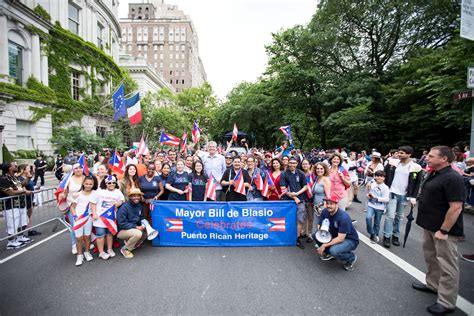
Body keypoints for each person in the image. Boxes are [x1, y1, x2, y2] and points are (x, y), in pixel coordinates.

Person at [412, 146, 465, 315]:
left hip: (444, 230)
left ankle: (446, 301)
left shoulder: (453, 178)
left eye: (431, 156)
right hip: (430, 226)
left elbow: (456, 207)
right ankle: (433, 285)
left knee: (447, 265)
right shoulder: (434, 173)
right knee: (431, 258)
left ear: (444, 159)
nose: (427, 158)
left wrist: (444, 230)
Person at [382, 146, 422, 248]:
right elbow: (383, 174)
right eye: (399, 152)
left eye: (402, 153)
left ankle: (396, 235)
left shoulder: (416, 167)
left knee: (399, 217)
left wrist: (413, 197)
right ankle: (387, 236)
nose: (399, 154)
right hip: (392, 193)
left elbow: (417, 183)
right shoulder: (392, 163)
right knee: (390, 216)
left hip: (404, 195)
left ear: (409, 154)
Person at [315, 193, 359, 271]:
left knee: (334, 250)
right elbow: (319, 225)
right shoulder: (325, 211)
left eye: (331, 203)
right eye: (327, 203)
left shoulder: (343, 217)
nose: (328, 205)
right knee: (315, 235)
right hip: (335, 235)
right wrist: (321, 230)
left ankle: (351, 258)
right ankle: (329, 253)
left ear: (336, 204)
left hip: (349, 239)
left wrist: (324, 245)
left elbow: (340, 239)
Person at [0, 162, 33, 249]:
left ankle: (20, 237)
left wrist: (29, 178)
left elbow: (22, 184)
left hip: (20, 204)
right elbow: (10, 192)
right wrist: (24, 191)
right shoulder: (3, 179)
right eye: (14, 165)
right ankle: (11, 242)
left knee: (22, 222)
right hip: (10, 205)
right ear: (9, 168)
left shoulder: (14, 177)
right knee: (12, 224)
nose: (16, 166)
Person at [92, 175, 125, 260]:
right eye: (109, 183)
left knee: (109, 234)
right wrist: (94, 213)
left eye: (113, 183)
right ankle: (101, 252)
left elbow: (122, 200)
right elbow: (93, 202)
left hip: (111, 217)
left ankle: (110, 249)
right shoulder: (99, 191)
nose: (111, 184)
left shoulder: (117, 191)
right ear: (105, 183)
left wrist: (117, 204)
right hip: (100, 217)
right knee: (100, 235)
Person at [280, 156, 308, 249]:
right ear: (288, 163)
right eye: (290, 162)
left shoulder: (301, 173)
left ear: (297, 164)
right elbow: (283, 189)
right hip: (288, 201)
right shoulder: (284, 174)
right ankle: (287, 237)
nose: (292, 164)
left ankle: (297, 238)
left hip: (301, 200)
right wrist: (294, 197)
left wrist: (297, 194)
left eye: (294, 163)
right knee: (288, 219)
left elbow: (305, 186)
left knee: (300, 219)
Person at [70, 176, 98, 266]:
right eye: (86, 183)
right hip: (78, 218)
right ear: (83, 183)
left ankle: (87, 252)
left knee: (87, 236)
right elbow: (72, 207)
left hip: (88, 218)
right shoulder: (78, 194)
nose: (88, 185)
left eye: (90, 184)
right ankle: (79, 255)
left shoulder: (95, 193)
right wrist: (75, 216)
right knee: (78, 238)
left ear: (93, 185)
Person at [59, 162, 85, 254]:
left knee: (85, 225)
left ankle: (84, 242)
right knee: (74, 226)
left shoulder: (86, 178)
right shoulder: (69, 179)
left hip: (84, 206)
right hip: (72, 206)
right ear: (73, 170)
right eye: (76, 168)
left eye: (80, 168)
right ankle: (74, 244)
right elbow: (64, 192)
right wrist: (62, 195)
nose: (78, 170)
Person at [117, 188, 147, 259]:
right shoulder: (124, 207)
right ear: (130, 197)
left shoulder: (139, 206)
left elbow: (141, 218)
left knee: (146, 233)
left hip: (132, 228)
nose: (136, 198)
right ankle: (125, 249)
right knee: (138, 234)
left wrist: (145, 223)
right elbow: (121, 223)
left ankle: (131, 243)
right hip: (122, 230)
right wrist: (136, 227)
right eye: (134, 196)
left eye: (138, 196)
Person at [366, 170, 390, 244]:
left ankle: (375, 235)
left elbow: (387, 199)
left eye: (381, 176)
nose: (379, 177)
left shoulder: (385, 187)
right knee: (368, 217)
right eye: (377, 176)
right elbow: (368, 194)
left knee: (377, 222)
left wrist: (376, 198)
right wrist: (368, 196)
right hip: (371, 205)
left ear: (384, 178)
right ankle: (372, 233)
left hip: (380, 207)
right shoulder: (372, 184)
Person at [17, 164, 41, 236]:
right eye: (28, 168)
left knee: (29, 215)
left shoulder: (27, 177)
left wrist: (36, 188)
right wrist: (33, 191)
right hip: (25, 199)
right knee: (24, 216)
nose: (29, 170)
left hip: (30, 198)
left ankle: (30, 230)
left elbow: (31, 185)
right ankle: (21, 234)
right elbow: (24, 190)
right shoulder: (20, 178)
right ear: (23, 170)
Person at [312, 162, 331, 229]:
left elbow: (328, 195)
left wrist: (325, 207)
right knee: (317, 225)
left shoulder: (325, 179)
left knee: (322, 226)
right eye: (317, 169)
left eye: (321, 168)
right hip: (316, 206)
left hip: (322, 206)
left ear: (325, 169)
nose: (319, 170)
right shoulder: (317, 178)